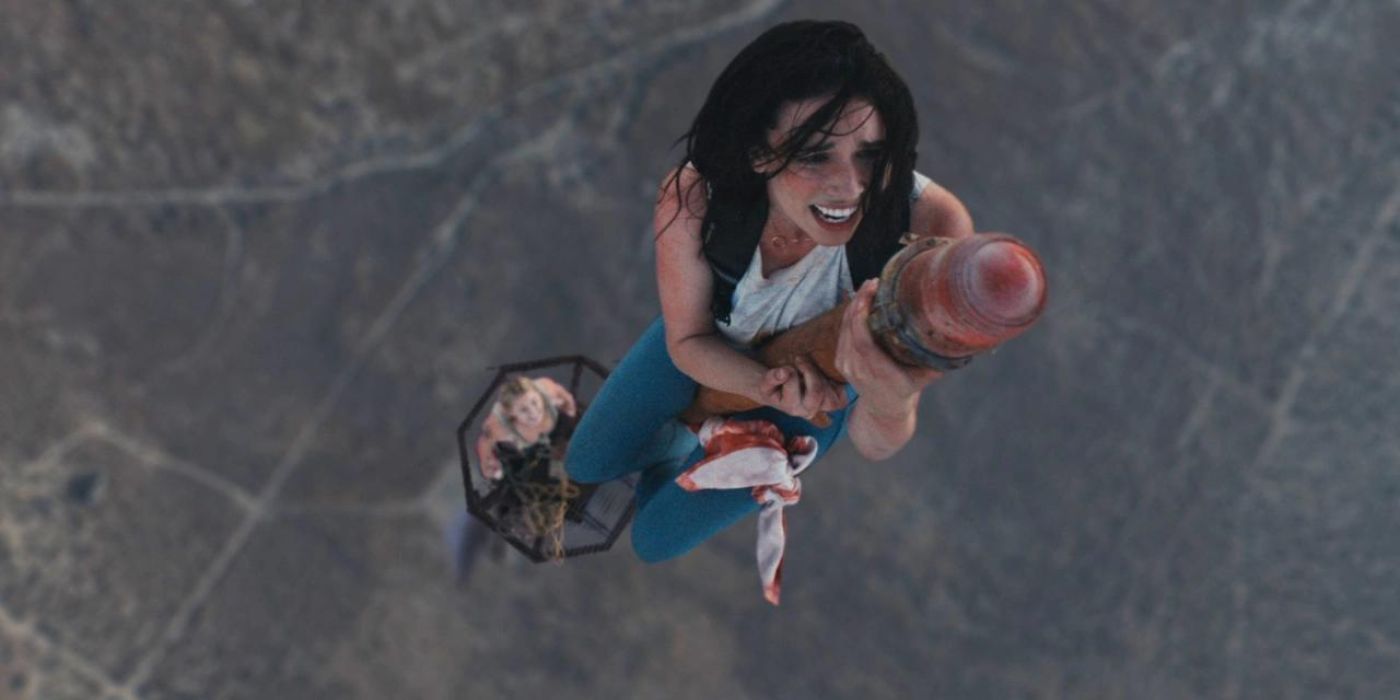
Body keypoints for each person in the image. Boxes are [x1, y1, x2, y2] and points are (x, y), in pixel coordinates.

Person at [565, 20, 974, 564]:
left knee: (654, 540)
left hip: (814, 401)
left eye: (870, 155)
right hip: (709, 341)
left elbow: (878, 441)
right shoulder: (697, 197)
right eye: (814, 155)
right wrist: (761, 382)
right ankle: (679, 442)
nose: (850, 187)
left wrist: (888, 396)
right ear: (759, 154)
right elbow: (687, 338)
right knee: (586, 463)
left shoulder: (931, 228)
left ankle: (691, 448)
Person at [474, 374, 578, 482]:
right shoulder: (499, 427)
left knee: (561, 451)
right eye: (523, 410)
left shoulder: (547, 389)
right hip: (526, 447)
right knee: (526, 471)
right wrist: (487, 462)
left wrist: (570, 411)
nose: (533, 413)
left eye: (534, 402)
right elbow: (484, 442)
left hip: (557, 428)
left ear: (539, 395)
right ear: (511, 414)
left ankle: (561, 475)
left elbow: (566, 396)